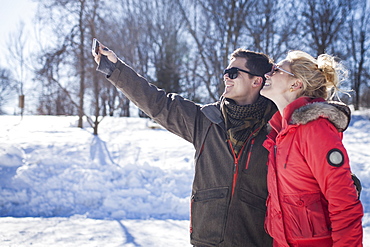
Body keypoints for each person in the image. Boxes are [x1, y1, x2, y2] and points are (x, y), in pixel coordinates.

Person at [92, 41, 277, 246]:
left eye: (234, 72)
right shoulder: (206, 120)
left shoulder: (276, 128)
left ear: (256, 81)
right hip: (207, 241)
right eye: (226, 71)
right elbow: (158, 103)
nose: (226, 76)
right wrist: (115, 68)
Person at [260, 50, 363, 246]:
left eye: (276, 70)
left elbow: (343, 201)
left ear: (296, 84)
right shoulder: (279, 135)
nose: (268, 74)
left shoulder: (315, 128)